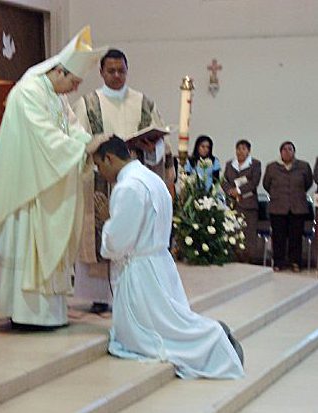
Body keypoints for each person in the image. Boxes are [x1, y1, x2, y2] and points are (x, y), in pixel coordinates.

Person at [0, 26, 106, 329]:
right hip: (30, 190)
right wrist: (82, 147)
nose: (75, 89)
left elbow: (72, 130)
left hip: (49, 185)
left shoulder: (56, 96)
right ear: (60, 71)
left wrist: (89, 144)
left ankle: (49, 313)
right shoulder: (28, 92)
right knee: (30, 246)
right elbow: (45, 139)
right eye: (74, 81)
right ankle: (27, 314)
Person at [92, 136, 244, 379]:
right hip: (158, 263)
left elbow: (118, 243)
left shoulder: (128, 186)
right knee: (171, 321)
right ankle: (211, 336)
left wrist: (105, 218)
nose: (101, 172)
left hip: (141, 271)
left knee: (154, 334)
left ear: (110, 158)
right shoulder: (152, 179)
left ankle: (213, 337)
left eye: (100, 165)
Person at [72, 48, 176, 314]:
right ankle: (100, 296)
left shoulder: (144, 103)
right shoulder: (87, 104)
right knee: (101, 233)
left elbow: (162, 145)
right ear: (101, 72)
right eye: (111, 71)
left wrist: (151, 145)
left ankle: (134, 290)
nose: (117, 76)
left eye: (121, 71)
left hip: (134, 176)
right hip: (100, 179)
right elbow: (76, 142)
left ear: (127, 71)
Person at [263, 141, 313, 272]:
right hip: (278, 207)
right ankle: (278, 262)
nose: (287, 152)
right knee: (278, 237)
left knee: (296, 237)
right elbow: (266, 184)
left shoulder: (303, 166)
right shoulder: (272, 167)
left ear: (294, 152)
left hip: (297, 207)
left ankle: (295, 262)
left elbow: (307, 183)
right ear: (280, 153)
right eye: (284, 149)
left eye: (290, 149)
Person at [222, 139, 261, 263]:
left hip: (249, 204)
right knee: (233, 231)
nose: (240, 151)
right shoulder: (230, 164)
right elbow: (224, 181)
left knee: (248, 233)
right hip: (233, 204)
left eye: (244, 149)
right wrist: (230, 191)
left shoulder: (255, 164)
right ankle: (234, 257)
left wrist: (238, 190)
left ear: (249, 151)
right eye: (238, 148)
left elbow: (254, 182)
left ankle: (249, 259)